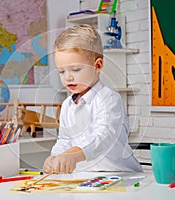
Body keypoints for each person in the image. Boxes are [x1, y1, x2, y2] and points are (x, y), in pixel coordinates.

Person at [42, 24, 142, 174]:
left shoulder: (109, 99)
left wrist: (73, 156)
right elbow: (64, 140)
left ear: (98, 65)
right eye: (61, 71)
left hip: (119, 175)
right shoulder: (67, 105)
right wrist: (54, 158)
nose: (68, 77)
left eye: (75, 69)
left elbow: (103, 137)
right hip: (84, 177)